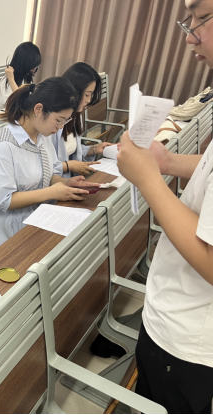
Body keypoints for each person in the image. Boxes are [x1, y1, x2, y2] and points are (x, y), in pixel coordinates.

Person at [117, 0, 213, 412]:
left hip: (188, 340)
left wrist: (150, 180)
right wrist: (169, 162)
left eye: (201, 18)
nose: (190, 36)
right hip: (180, 320)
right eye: (187, 21)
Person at [0, 78, 101, 258]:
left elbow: (47, 174)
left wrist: (66, 183)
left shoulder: (42, 135)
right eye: (59, 120)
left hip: (35, 219)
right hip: (2, 237)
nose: (60, 128)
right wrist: (52, 192)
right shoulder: (2, 148)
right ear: (38, 109)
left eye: (65, 121)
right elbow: (5, 201)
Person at [52, 62, 114, 178]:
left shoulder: (76, 116)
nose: (89, 100)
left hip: (68, 180)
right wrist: (69, 166)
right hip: (55, 183)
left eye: (91, 95)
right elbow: (41, 168)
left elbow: (72, 151)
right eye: (86, 95)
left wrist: (94, 149)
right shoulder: (51, 121)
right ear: (74, 91)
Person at [0, 42, 41, 113]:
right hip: (7, 116)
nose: (34, 69)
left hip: (19, 115)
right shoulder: (7, 82)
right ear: (24, 64)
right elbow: (18, 104)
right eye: (32, 66)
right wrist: (11, 80)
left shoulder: (25, 77)